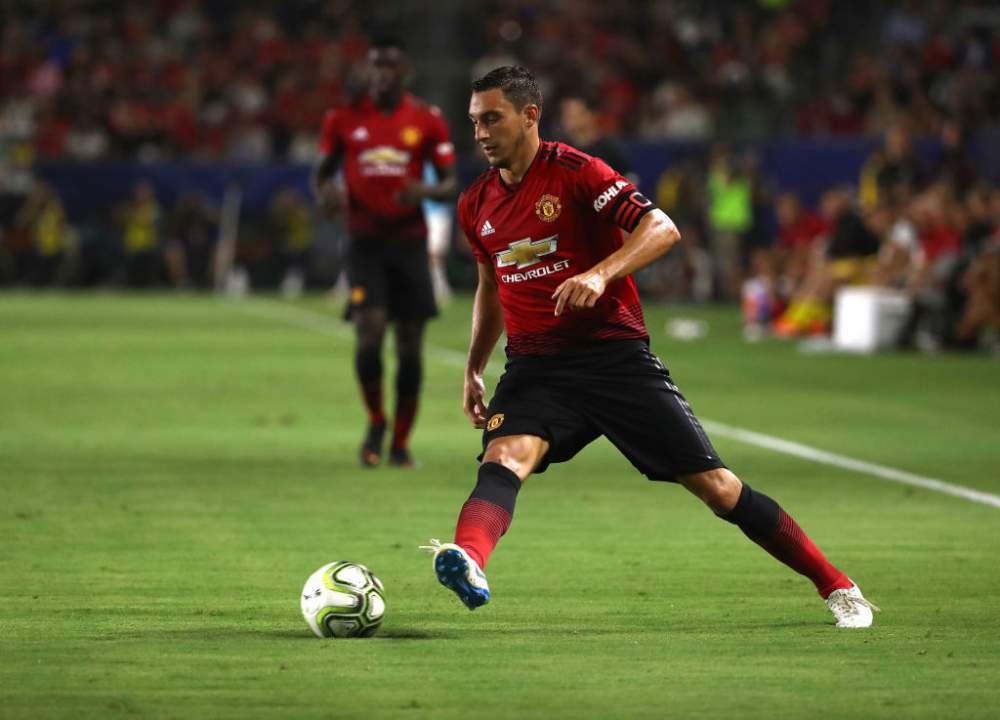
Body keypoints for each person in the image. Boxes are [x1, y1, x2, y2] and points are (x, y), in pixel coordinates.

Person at [421, 66, 878, 629]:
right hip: (536, 368)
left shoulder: (579, 171)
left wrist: (601, 273)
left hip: (614, 360)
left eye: (492, 119)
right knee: (504, 459)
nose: (481, 133)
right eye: (474, 122)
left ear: (529, 115)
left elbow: (662, 228)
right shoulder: (476, 203)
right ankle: (469, 558)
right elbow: (491, 287)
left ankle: (838, 586)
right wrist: (473, 368)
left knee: (718, 489)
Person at [312, 35, 457, 467]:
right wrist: (327, 193)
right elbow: (322, 174)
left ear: (403, 73)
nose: (381, 74)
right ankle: (376, 420)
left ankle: (401, 441)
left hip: (410, 243)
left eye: (389, 67)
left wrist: (423, 191)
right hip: (365, 244)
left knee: (410, 345)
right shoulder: (342, 119)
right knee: (369, 333)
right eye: (375, 66)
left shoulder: (427, 119)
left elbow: (450, 182)